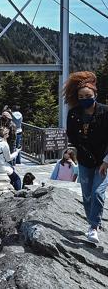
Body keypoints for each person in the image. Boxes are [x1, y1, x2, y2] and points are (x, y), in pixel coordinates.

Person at [64, 71, 108, 244]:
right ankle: (92, 222)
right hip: (84, 160)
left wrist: (106, 161)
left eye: (88, 95)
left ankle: (93, 226)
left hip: (103, 161)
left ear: (95, 94)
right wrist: (75, 150)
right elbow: (72, 135)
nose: (85, 99)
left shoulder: (105, 112)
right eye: (81, 96)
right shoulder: (74, 114)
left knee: (98, 192)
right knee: (87, 195)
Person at [0, 125, 22, 190]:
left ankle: (11, 185)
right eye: (7, 134)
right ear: (4, 135)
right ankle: (18, 193)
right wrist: (17, 152)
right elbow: (8, 158)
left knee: (11, 168)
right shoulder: (4, 144)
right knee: (17, 178)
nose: (8, 136)